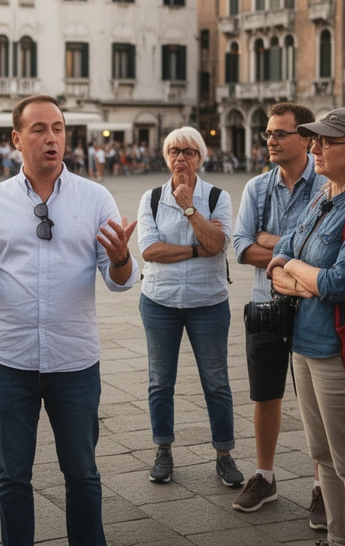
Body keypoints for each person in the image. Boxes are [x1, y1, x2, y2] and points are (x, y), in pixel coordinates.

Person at [0, 95, 140, 546]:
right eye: (40, 129)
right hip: (9, 360)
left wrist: (122, 258)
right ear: (16, 139)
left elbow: (121, 282)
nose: (52, 138)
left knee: (83, 473)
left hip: (74, 360)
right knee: (12, 476)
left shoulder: (95, 196)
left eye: (59, 128)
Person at [269, 108, 345, 546]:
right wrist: (303, 277)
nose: (315, 148)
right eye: (314, 140)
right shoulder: (324, 196)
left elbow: (339, 283)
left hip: (337, 350)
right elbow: (276, 257)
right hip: (303, 342)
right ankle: (337, 539)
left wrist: (297, 272)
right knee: (322, 455)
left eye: (325, 141)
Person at [230, 102, 327, 521]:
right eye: (268, 133)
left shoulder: (326, 184)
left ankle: (323, 486)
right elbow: (240, 247)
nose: (270, 140)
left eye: (279, 134)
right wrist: (294, 246)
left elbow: (326, 251)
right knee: (265, 393)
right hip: (267, 304)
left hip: (312, 305)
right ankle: (265, 476)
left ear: (305, 137)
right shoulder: (255, 187)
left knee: (318, 399)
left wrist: (271, 241)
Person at [136, 127, 240, 487]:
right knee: (160, 382)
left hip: (207, 301)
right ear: (166, 156)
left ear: (201, 157)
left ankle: (224, 454)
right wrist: (197, 247)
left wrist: (190, 209)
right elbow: (150, 251)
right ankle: (163, 450)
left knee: (217, 382)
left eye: (189, 151)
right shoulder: (150, 199)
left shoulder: (218, 197)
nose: (181, 157)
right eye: (174, 150)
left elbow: (219, 243)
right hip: (159, 301)